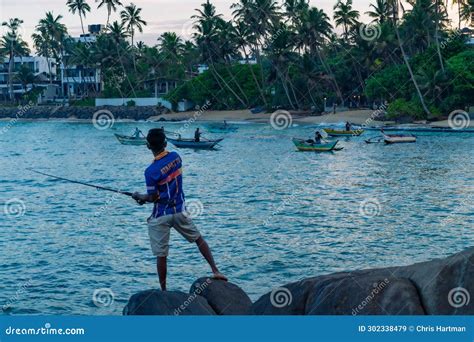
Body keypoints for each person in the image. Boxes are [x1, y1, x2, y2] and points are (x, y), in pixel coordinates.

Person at [132, 129, 227, 291]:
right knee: (199, 239)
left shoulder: (150, 172)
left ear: (148, 146)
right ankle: (215, 270)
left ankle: (164, 291)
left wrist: (139, 196)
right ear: (165, 143)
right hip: (179, 211)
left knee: (161, 255)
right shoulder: (176, 157)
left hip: (161, 215)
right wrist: (146, 197)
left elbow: (153, 197)